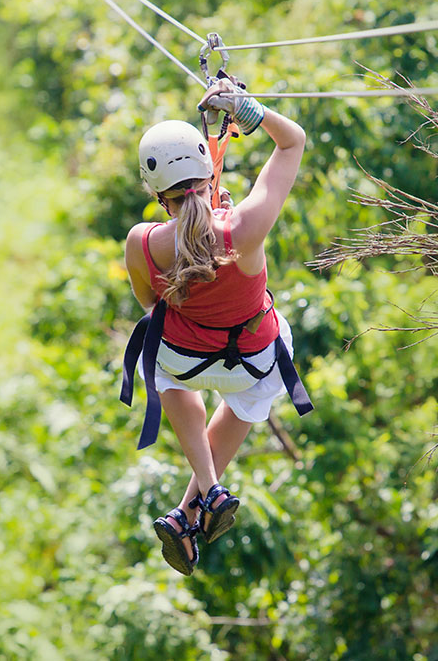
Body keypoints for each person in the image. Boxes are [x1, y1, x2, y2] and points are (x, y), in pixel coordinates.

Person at [121, 78, 310, 576]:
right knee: (250, 395)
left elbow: (150, 302)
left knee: (156, 356)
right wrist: (248, 111)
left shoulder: (141, 243)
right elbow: (293, 141)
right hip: (253, 359)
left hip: (184, 358)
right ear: (209, 172)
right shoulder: (244, 228)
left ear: (158, 195)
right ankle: (200, 499)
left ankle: (201, 498)